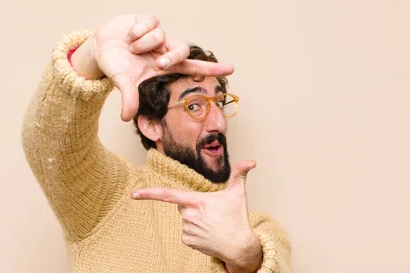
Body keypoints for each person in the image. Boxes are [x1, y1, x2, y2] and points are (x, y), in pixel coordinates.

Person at [22, 14, 291, 272]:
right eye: (195, 105)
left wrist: (246, 260)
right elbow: (49, 143)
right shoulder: (109, 195)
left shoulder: (258, 232)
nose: (219, 123)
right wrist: (90, 55)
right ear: (152, 125)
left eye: (219, 102)